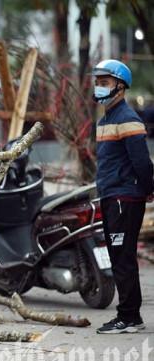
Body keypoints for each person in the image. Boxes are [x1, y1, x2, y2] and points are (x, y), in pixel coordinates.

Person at [90, 60, 154, 334]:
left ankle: (128, 316)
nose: (99, 87)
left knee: (122, 257)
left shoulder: (127, 119)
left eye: (105, 82)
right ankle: (131, 315)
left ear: (121, 86)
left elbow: (142, 162)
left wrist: (148, 189)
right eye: (98, 82)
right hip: (111, 195)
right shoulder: (107, 119)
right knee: (120, 256)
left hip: (123, 198)